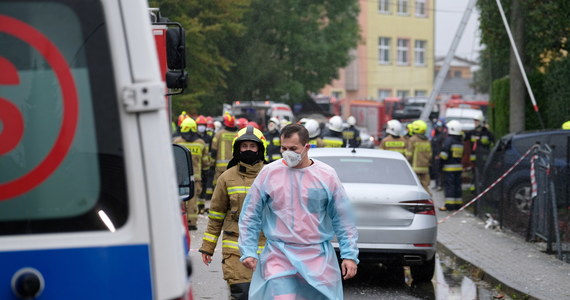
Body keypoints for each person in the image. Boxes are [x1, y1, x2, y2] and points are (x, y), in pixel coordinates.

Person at [238, 124, 359, 299]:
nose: (287, 153)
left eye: (293, 148)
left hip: (317, 257)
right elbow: (250, 214)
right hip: (279, 254)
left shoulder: (326, 176)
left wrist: (349, 255)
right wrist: (248, 250)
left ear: (307, 147)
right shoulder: (269, 173)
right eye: (283, 148)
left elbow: (343, 218)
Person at [199, 126, 267, 300]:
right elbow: (216, 215)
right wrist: (208, 247)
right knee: (241, 293)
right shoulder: (226, 177)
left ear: (260, 149)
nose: (248, 150)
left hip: (269, 250)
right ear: (237, 149)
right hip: (236, 250)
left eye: (252, 146)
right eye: (244, 146)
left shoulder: (272, 175)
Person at [173, 117, 210, 230]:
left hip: (179, 177)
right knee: (193, 200)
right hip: (196, 177)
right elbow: (205, 162)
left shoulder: (177, 142)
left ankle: (180, 222)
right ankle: (191, 222)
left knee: (179, 199)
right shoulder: (201, 143)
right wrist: (206, 171)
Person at [465, 113, 494, 194]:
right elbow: (464, 138)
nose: (475, 123)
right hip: (474, 160)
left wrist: (479, 140)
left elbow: (489, 143)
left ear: (481, 122)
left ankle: (483, 191)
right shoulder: (472, 132)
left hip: (483, 158)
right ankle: (474, 192)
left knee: (483, 175)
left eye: (477, 121)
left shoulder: (486, 133)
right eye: (475, 121)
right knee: (474, 176)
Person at [439, 120, 464, 211]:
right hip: (458, 168)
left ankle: (449, 205)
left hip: (449, 168)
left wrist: (440, 164)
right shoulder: (460, 141)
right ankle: (458, 204)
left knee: (449, 186)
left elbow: (444, 155)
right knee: (457, 186)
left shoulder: (449, 140)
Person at [405, 120, 433, 194]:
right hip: (425, 169)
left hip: (414, 168)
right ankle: (428, 202)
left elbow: (409, 155)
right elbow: (430, 155)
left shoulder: (412, 139)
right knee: (425, 187)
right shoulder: (427, 141)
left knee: (415, 188)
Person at [212, 113, 239, 186]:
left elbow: (213, 150)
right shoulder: (238, 135)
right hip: (235, 167)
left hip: (221, 168)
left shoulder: (219, 134)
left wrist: (212, 163)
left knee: (220, 187)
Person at [195, 115, 213, 214]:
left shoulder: (208, 137)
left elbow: (210, 151)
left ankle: (201, 205)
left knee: (204, 185)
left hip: (206, 164)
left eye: (203, 125)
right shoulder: (195, 137)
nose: (201, 127)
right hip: (197, 164)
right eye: (199, 125)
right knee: (197, 186)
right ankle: (197, 206)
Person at [430, 119, 447, 191]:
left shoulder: (443, 136)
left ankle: (440, 185)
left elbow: (443, 147)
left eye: (440, 127)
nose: (439, 128)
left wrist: (439, 155)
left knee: (440, 171)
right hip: (434, 156)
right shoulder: (435, 136)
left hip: (439, 156)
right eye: (438, 127)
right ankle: (437, 184)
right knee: (435, 171)